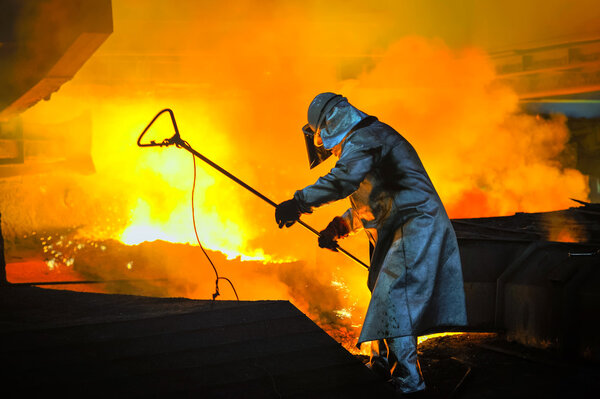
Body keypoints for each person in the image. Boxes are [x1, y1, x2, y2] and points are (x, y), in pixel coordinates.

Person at [275, 92, 468, 395]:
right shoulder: (367, 141)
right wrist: (339, 226)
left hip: (414, 225)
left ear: (331, 123)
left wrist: (298, 202)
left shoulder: (365, 139)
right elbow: (371, 202)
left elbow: (343, 181)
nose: (327, 147)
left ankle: (409, 385)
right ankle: (381, 365)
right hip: (398, 226)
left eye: (322, 136)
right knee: (383, 295)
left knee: (394, 299)